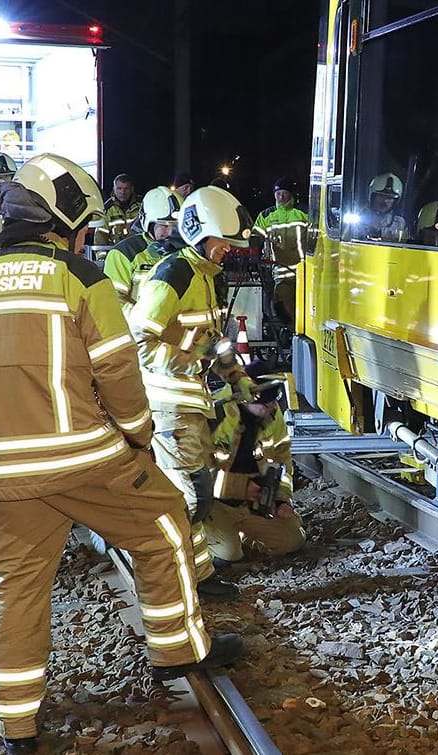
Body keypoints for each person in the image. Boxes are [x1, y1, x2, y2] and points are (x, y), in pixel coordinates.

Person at [0, 153, 243, 754]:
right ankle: (178, 651)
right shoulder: (80, 277)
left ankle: (17, 728)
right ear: (66, 216)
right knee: (164, 525)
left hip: (1, 472)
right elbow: (119, 374)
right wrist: (135, 438)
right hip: (85, 460)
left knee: (16, 588)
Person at [129, 185, 257, 602]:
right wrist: (195, 362)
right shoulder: (174, 275)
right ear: (200, 235)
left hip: (190, 404)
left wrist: (239, 380)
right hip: (170, 405)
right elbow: (140, 342)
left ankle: (197, 575)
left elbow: (208, 341)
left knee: (196, 496)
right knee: (192, 496)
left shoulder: (204, 277)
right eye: (224, 242)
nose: (228, 250)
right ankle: (169, 577)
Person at [206, 368, 305, 566]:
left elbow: (283, 462)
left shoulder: (273, 418)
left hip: (253, 504)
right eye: (266, 404)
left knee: (292, 540)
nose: (273, 407)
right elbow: (197, 477)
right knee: (228, 555)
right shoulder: (213, 418)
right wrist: (241, 487)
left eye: (274, 400)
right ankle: (210, 541)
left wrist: (281, 499)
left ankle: (243, 534)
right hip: (215, 505)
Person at [102, 186, 182, 314]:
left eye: (175, 225)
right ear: (148, 223)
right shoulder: (124, 254)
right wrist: (143, 321)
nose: (170, 232)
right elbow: (114, 301)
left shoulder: (186, 252)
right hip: (142, 331)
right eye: (164, 225)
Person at [253, 177, 309, 325]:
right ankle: (290, 336)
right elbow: (254, 239)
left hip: (305, 274)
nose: (281, 196)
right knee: (284, 311)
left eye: (284, 192)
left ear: (291, 194)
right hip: (280, 275)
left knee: (306, 310)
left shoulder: (304, 213)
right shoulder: (266, 216)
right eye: (278, 193)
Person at [95, 173, 142, 248]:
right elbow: (100, 235)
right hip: (114, 254)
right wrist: (102, 258)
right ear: (114, 189)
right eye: (119, 188)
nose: (122, 192)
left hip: (138, 253)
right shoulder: (107, 209)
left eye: (126, 188)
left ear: (132, 189)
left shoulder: (142, 206)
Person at [365, 173, 406, 241]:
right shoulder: (358, 218)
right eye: (381, 196)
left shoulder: (399, 223)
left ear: (395, 201)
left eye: (390, 198)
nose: (385, 201)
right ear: (372, 196)